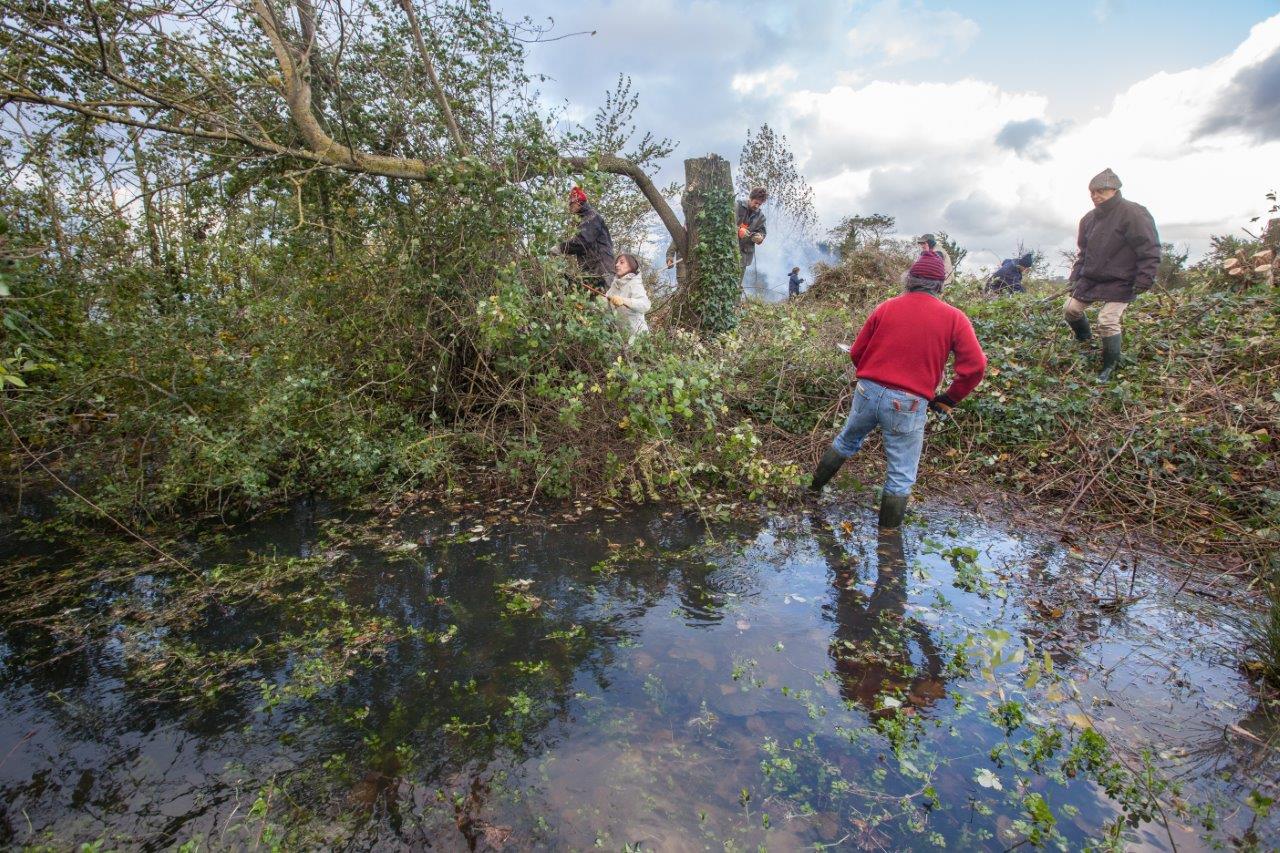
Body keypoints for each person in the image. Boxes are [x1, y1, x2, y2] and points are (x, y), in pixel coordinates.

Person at [809, 249, 987, 528]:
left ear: (909, 279)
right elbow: (975, 366)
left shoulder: (886, 306)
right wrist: (950, 398)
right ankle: (888, 542)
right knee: (901, 475)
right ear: (940, 286)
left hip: (867, 391)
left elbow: (857, 352)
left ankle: (811, 493)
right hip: (909, 402)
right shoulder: (954, 318)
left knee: (845, 441)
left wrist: (872, 374)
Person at [1064, 168, 1160, 381]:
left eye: (1100, 191)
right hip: (1092, 278)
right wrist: (1075, 277)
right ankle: (1084, 338)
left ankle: (1109, 365)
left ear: (1114, 190)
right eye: (1092, 192)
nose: (1095, 196)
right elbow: (1084, 252)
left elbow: (1149, 248)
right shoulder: (1088, 219)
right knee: (1070, 309)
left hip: (1122, 279)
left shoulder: (1134, 213)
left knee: (1107, 320)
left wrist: (1145, 277)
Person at [551, 186, 615, 293]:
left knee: (603, 303)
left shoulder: (591, 217)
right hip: (592, 269)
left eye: (571, 204)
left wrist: (560, 248)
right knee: (591, 303)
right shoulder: (585, 219)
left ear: (578, 202)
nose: (569, 207)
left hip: (601, 269)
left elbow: (582, 242)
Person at [602, 252, 651, 341]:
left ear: (631, 265)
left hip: (638, 337)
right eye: (616, 262)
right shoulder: (616, 283)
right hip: (621, 337)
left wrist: (624, 300)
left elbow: (645, 305)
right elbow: (607, 302)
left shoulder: (635, 283)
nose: (617, 265)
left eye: (621, 262)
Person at [737, 187, 767, 271]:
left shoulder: (761, 217)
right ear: (750, 198)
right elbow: (727, 224)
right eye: (755, 202)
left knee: (736, 283)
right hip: (729, 252)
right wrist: (738, 230)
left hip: (744, 258)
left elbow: (762, 232)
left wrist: (760, 237)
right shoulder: (737, 206)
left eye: (759, 204)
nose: (757, 206)